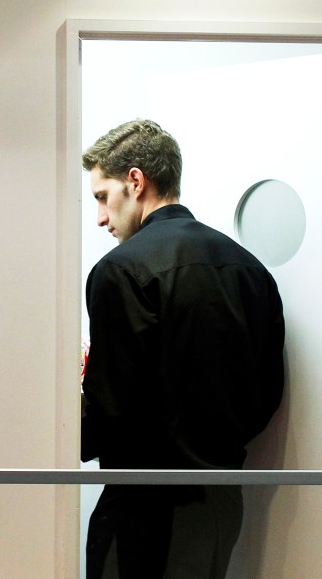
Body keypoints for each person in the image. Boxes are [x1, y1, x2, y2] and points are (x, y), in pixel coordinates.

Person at [80, 119, 285, 578]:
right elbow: (268, 392)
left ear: (135, 181)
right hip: (222, 500)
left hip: (143, 505)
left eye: (101, 196)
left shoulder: (120, 271)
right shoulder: (249, 269)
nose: (100, 217)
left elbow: (114, 409)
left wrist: (74, 421)